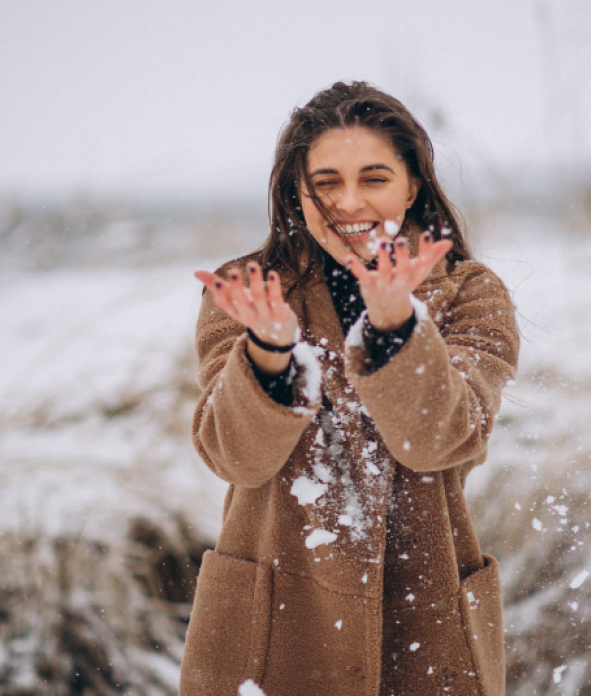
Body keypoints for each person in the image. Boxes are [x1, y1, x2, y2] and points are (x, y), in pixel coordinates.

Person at [181, 81, 518, 696]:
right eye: (327, 182)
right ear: (296, 190)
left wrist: (396, 328)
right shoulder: (247, 293)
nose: (349, 201)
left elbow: (442, 439)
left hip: (427, 618)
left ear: (413, 183)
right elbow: (233, 455)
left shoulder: (471, 294)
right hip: (273, 629)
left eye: (374, 177)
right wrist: (268, 352)